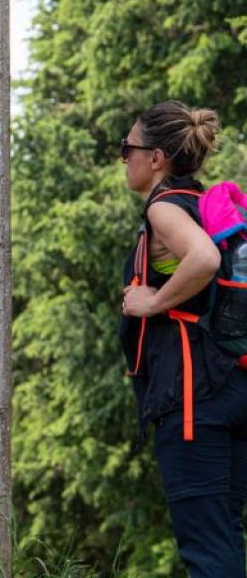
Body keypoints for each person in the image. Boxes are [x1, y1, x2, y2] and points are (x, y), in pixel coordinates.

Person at [120, 100, 247, 577]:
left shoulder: (165, 210)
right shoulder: (201, 205)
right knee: (222, 536)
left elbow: (204, 261)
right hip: (231, 386)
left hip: (195, 398)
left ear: (156, 158)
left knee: (205, 548)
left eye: (127, 147)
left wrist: (152, 303)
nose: (124, 157)